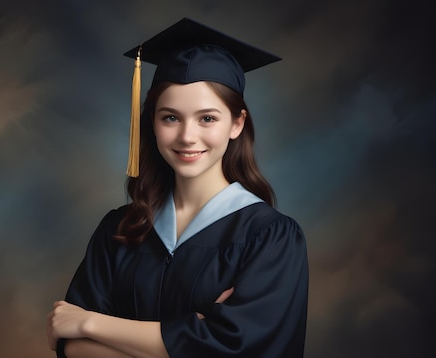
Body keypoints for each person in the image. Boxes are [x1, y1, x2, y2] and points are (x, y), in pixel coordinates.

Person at [47, 18, 308, 358]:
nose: (187, 136)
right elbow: (72, 349)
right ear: (152, 123)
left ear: (237, 123)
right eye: (170, 117)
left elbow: (243, 348)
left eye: (207, 118)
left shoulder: (271, 238)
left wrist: (89, 324)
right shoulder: (119, 230)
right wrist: (197, 336)